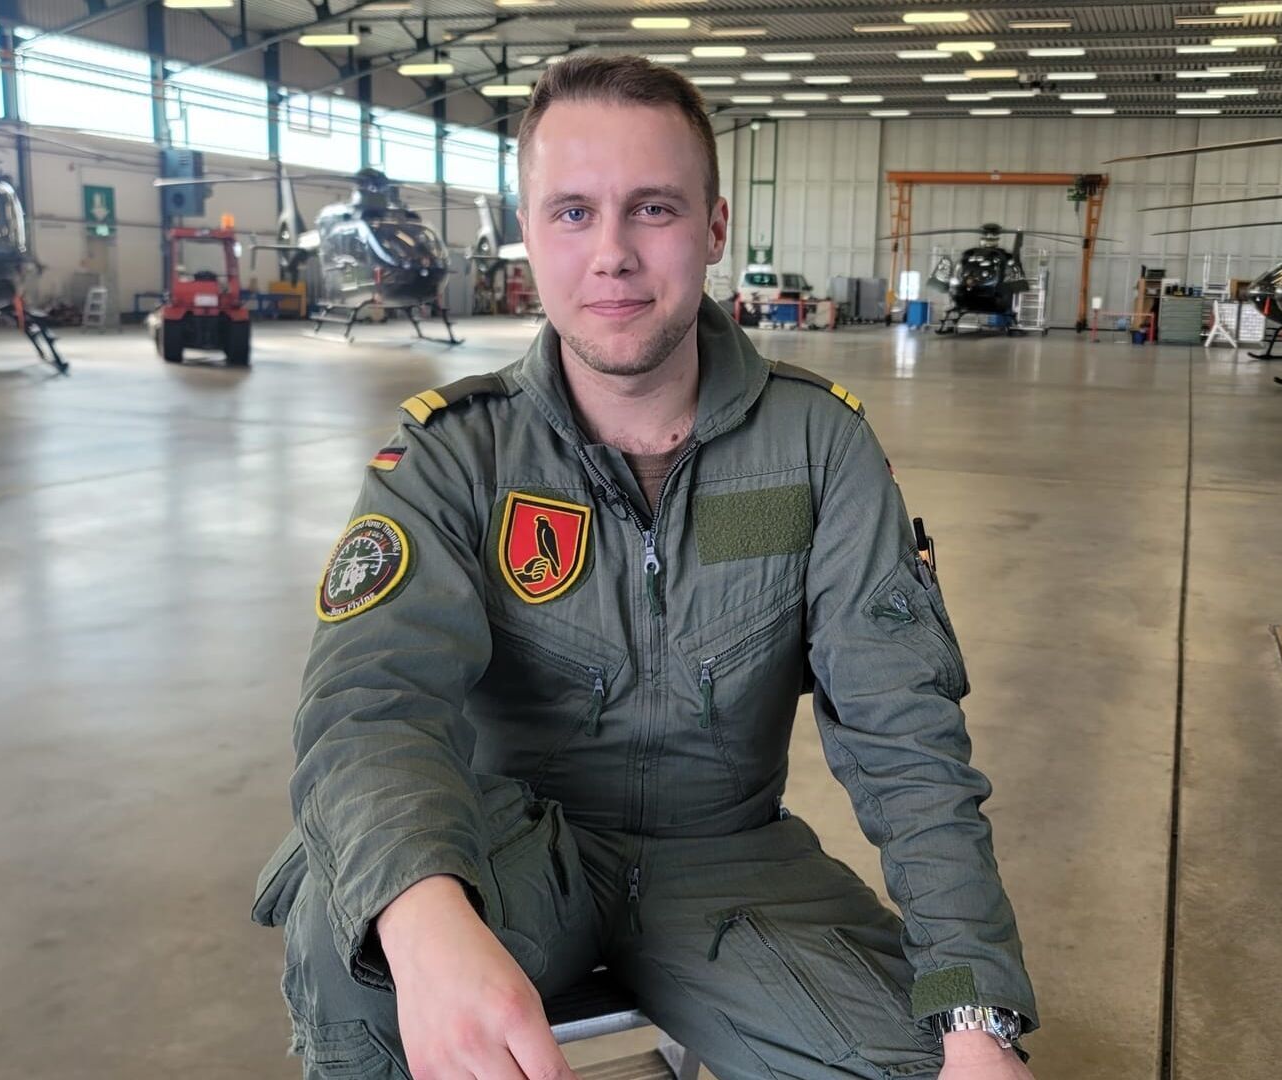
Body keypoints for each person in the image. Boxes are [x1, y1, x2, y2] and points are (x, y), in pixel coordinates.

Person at [251, 54, 1038, 1080]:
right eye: (573, 212)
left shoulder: (818, 448)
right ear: (530, 232)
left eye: (653, 209)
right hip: (514, 852)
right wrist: (422, 915)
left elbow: (906, 736)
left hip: (732, 863)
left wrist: (975, 1015)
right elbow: (369, 704)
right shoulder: (453, 456)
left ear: (714, 228)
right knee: (351, 928)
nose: (612, 254)